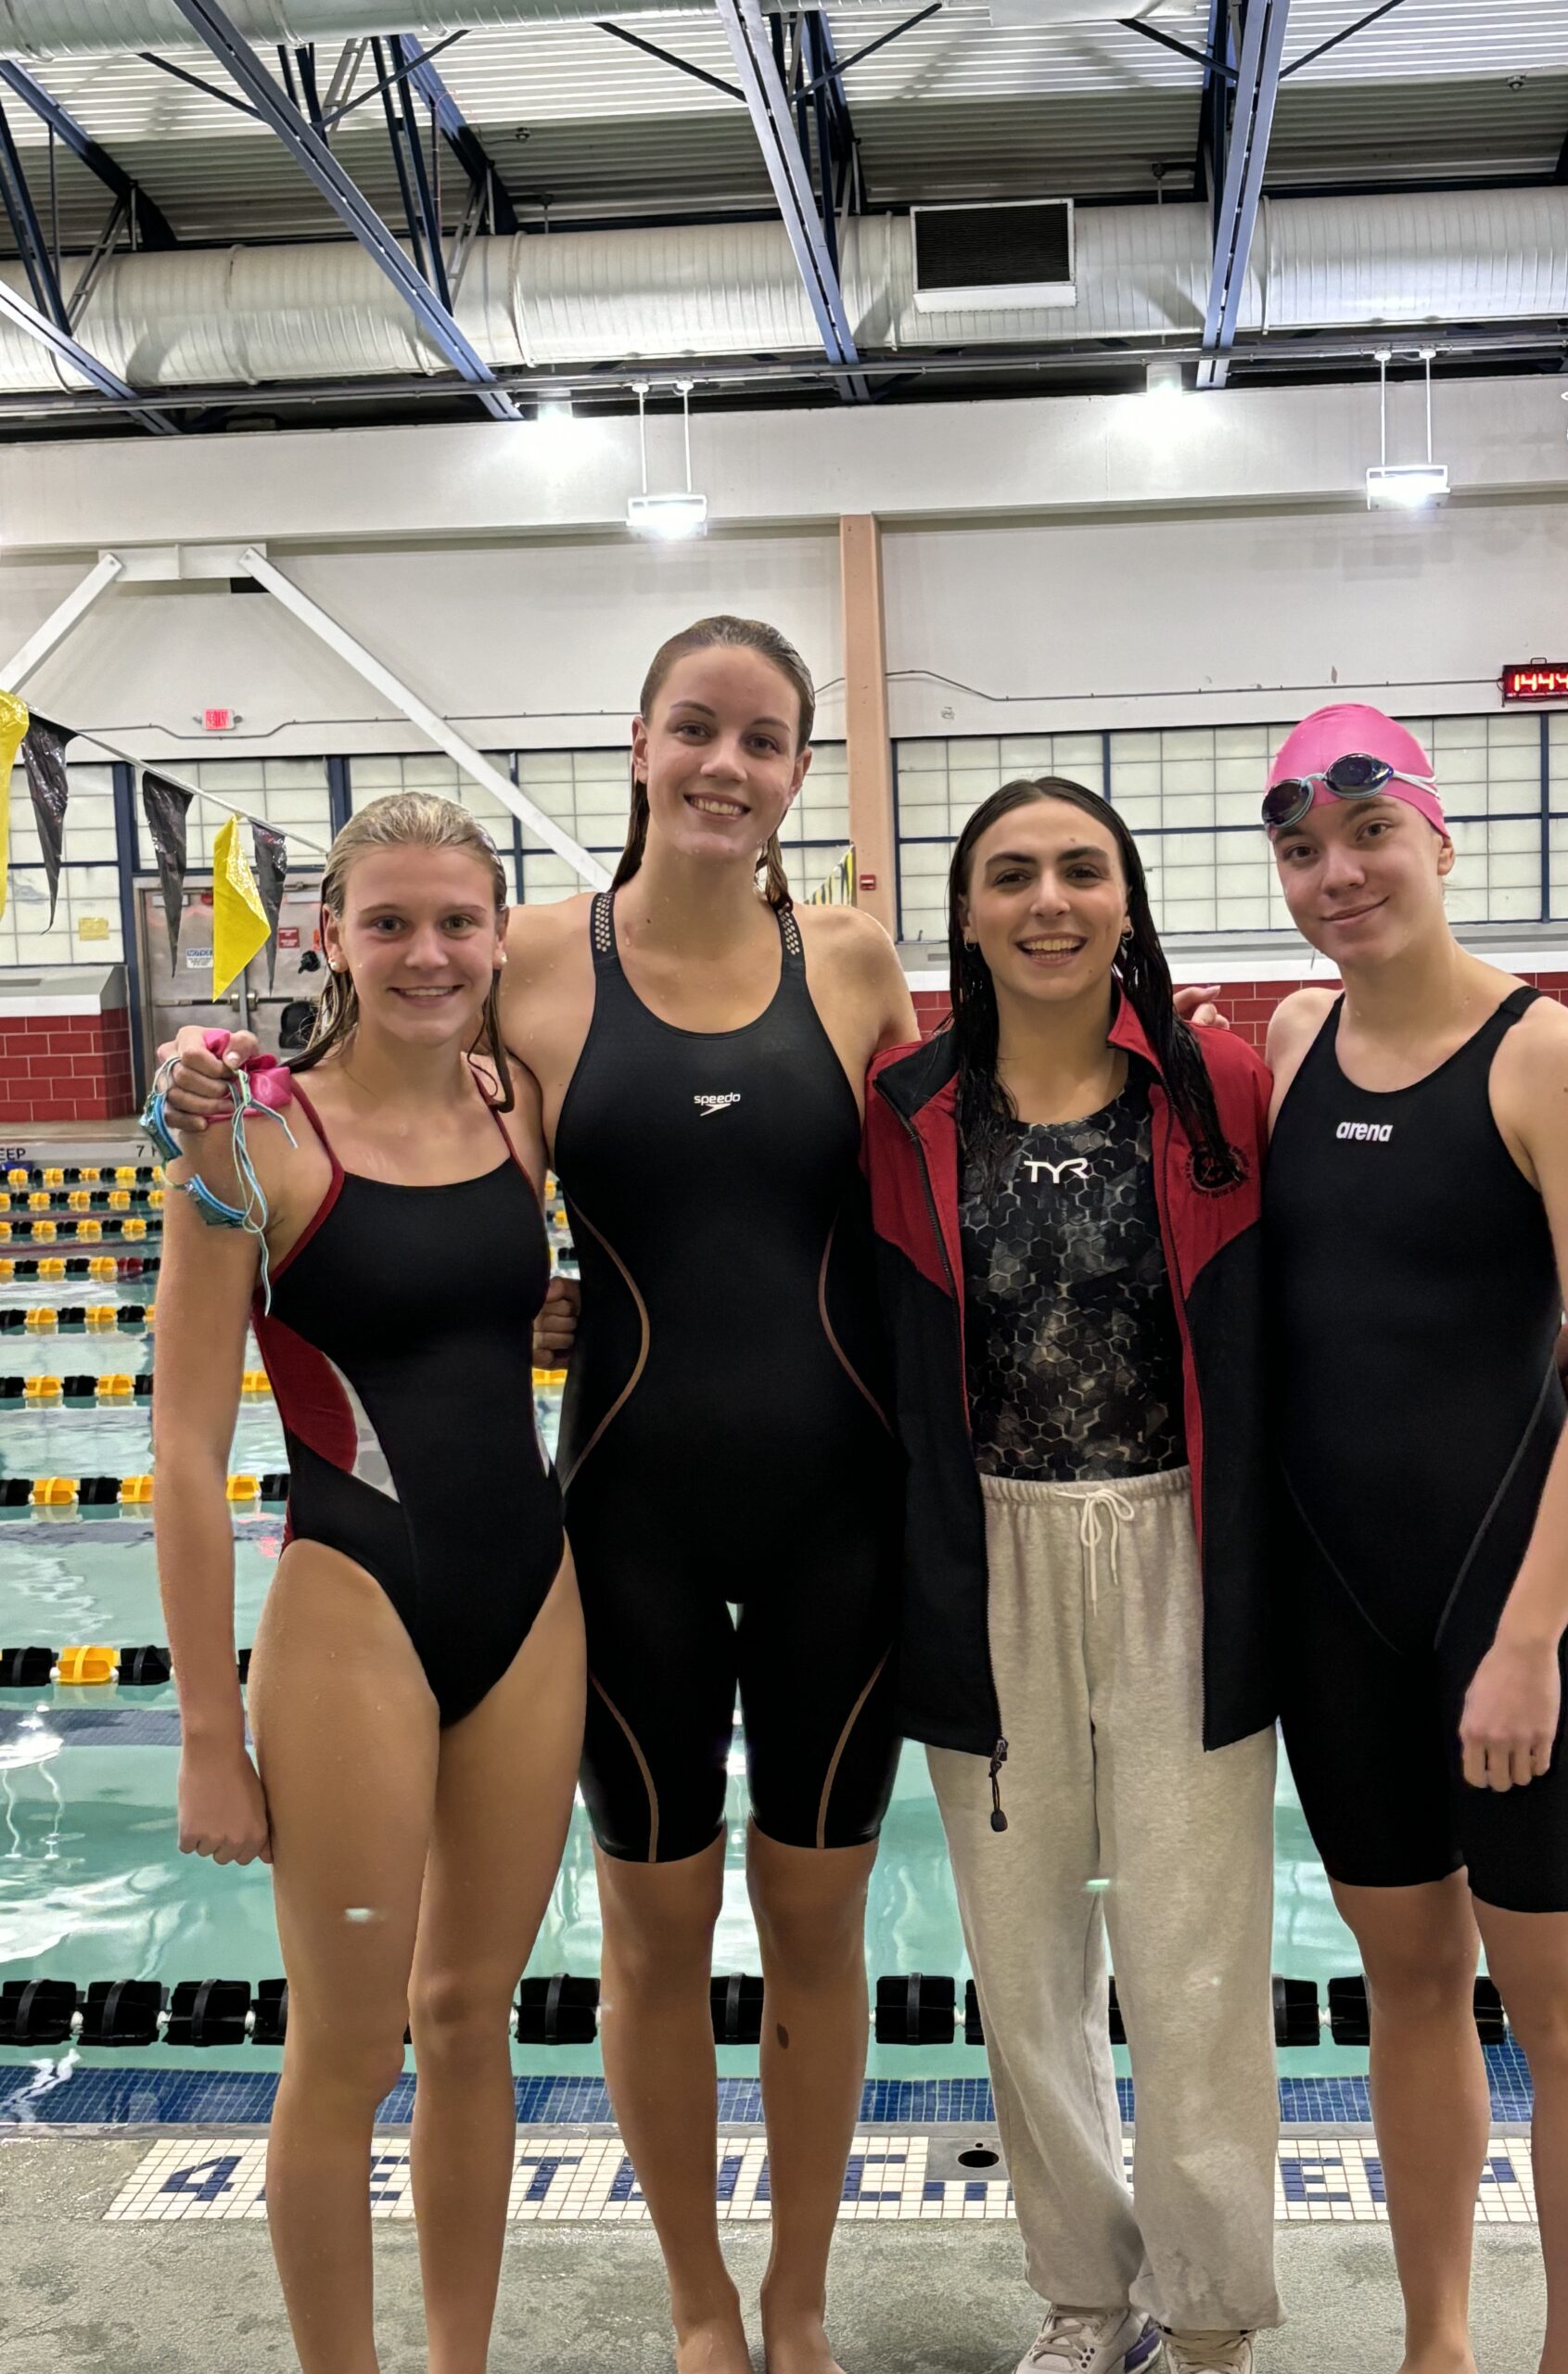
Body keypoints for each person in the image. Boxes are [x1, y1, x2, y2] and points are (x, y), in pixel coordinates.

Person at [161, 617, 919, 2374]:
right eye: (696, 729)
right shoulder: (505, 990)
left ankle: (764, 2311)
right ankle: (696, 2309)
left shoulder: (836, 973)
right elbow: (328, 1107)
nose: (729, 764)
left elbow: (923, 1203)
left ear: (798, 768)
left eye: (766, 738)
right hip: (579, 1531)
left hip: (770, 1537)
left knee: (682, 1958)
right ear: (638, 743)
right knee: (560, 1969)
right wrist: (196, 1093)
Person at [1259, 705, 1568, 2374]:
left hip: (1517, 1617)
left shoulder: (1553, 1058)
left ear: (1439, 840)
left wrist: (1521, 1643)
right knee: (1406, 1988)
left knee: (1564, 2008)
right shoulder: (1288, 1043)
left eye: (1370, 833)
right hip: (1335, 1610)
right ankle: (1440, 2343)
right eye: (1301, 848)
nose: (1338, 873)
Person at [153, 792, 581, 2374]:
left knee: (473, 2018)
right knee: (346, 2044)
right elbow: (185, 1453)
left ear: (497, 936)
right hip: (350, 1605)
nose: (426, 952)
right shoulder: (251, 1135)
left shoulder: (514, 1102)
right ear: (327, 932)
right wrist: (210, 1730)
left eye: (457, 921)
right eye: (387, 920)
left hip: (532, 1602)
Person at [863, 777, 1281, 2374]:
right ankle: (1089, 2296)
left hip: (1179, 1543)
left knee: (1194, 1953)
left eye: (1082, 871)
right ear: (966, 913)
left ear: (1127, 900)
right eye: (1013, 875)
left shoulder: (1217, 1084)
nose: (1050, 900)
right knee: (1024, 1967)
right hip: (988, 1555)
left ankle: (1216, 2306)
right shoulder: (903, 1108)